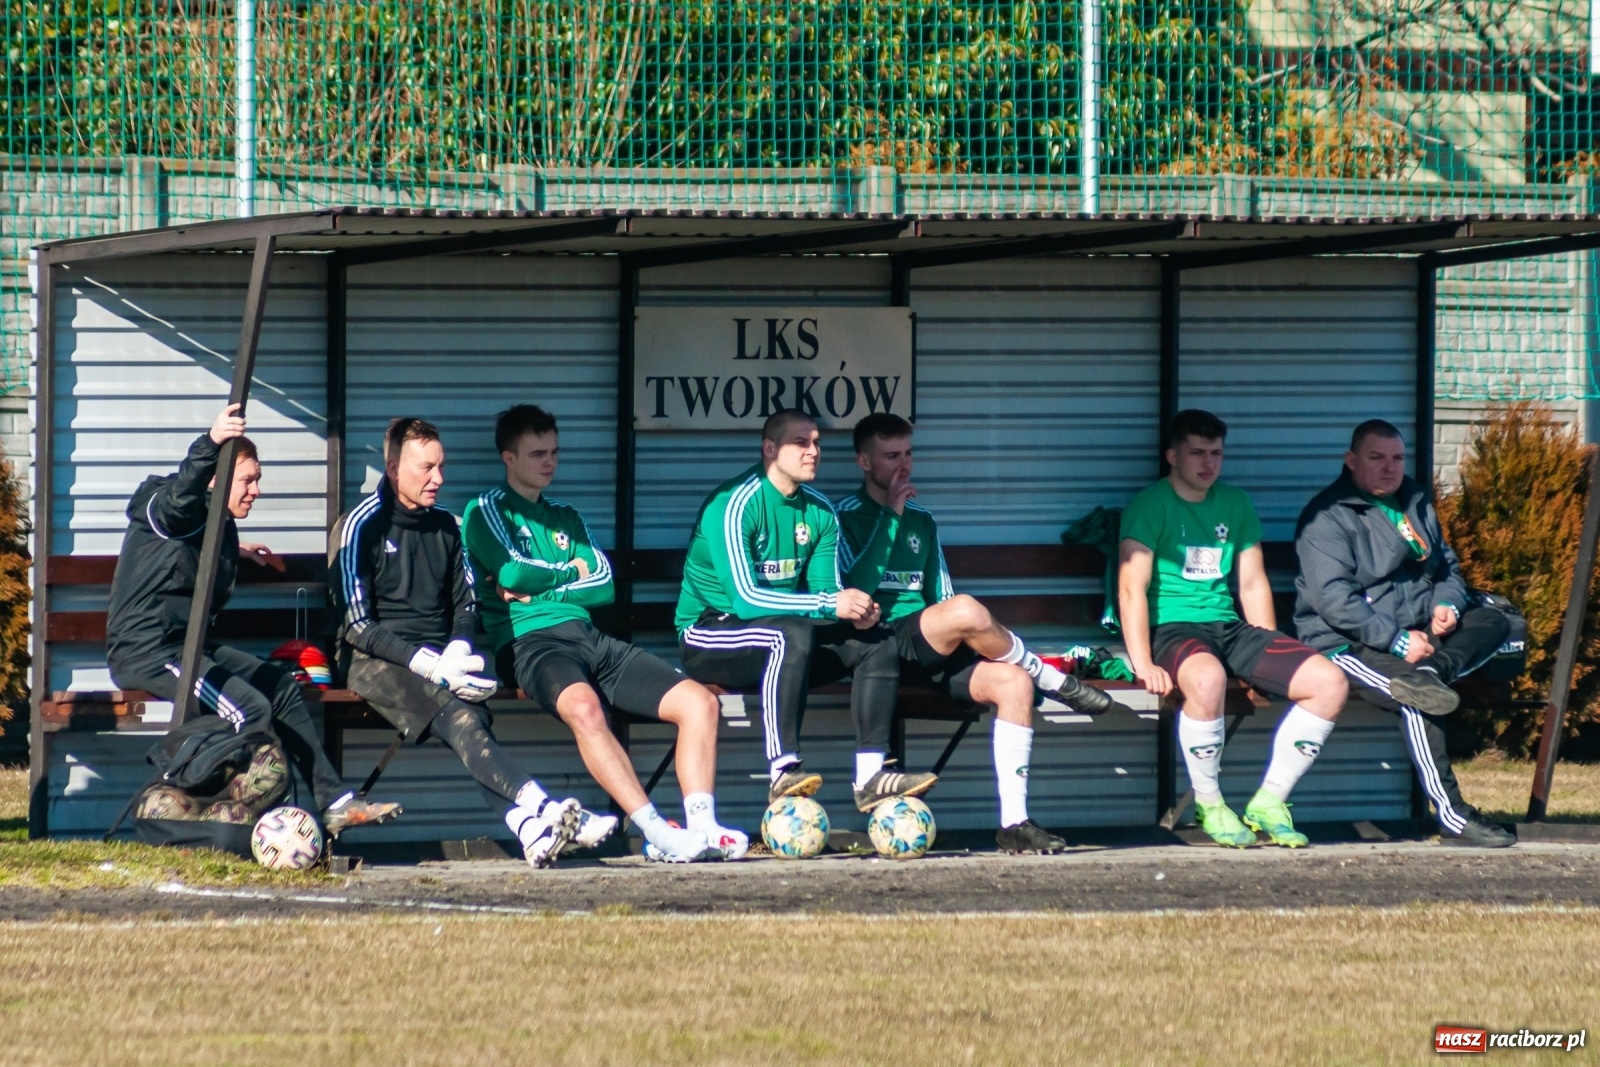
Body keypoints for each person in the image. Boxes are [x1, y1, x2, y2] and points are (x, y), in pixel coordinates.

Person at [463, 404, 747, 862]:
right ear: (508, 458)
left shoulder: (567, 516)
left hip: (589, 638)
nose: (549, 462)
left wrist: (541, 584)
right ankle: (657, 831)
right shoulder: (485, 510)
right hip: (529, 643)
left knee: (701, 703)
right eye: (537, 453)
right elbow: (513, 571)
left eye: (554, 451)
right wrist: (565, 574)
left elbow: (604, 586)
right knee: (586, 708)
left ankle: (703, 827)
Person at [837, 413, 1131, 853]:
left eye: (909, 454)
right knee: (969, 612)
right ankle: (1049, 678)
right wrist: (892, 516)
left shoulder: (923, 519)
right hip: (877, 646)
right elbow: (852, 587)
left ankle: (1014, 824)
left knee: (1011, 682)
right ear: (864, 461)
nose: (904, 466)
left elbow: (942, 595)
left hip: (927, 645)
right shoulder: (843, 515)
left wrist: (906, 518)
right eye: (891, 456)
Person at [107, 404, 400, 836]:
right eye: (247, 479)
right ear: (216, 479)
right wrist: (209, 444)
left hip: (187, 647)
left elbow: (183, 553)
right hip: (149, 651)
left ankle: (335, 802)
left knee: (280, 689)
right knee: (249, 709)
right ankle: (248, 825)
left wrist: (235, 553)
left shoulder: (216, 525)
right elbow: (178, 506)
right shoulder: (168, 505)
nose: (256, 490)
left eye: (257, 479)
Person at [330, 417, 597, 868]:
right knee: (463, 719)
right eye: (426, 468)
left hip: (441, 660)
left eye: (442, 466)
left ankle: (530, 833)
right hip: (373, 658)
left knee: (470, 722)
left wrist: (457, 649)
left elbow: (466, 603)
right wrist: (429, 666)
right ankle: (546, 809)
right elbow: (357, 625)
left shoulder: (448, 527)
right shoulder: (360, 526)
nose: (439, 478)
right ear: (393, 468)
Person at [676, 410, 936, 812]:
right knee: (790, 632)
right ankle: (783, 771)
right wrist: (830, 603)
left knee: (874, 639)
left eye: (817, 443)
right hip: (711, 632)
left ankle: (871, 775)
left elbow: (824, 592)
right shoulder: (733, 503)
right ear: (769, 449)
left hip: (780, 632)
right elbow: (745, 599)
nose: (813, 452)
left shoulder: (819, 511)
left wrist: (852, 611)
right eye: (801, 443)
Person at [1118, 409, 1349, 848]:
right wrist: (1142, 661)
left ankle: (1269, 801)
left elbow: (1252, 581)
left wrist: (1266, 644)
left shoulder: (1236, 502)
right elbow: (1132, 588)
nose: (1209, 463)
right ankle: (1211, 804)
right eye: (1197, 453)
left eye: (1217, 454)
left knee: (1330, 682)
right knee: (1208, 679)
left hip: (1229, 627)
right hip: (1174, 629)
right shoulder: (1149, 506)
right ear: (1172, 456)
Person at [1294, 419, 1515, 847]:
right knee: (1413, 698)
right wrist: (1396, 640)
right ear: (1351, 461)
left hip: (1421, 634)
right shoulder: (1327, 516)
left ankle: (1433, 672)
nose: (1389, 468)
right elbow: (1334, 601)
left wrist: (1446, 605)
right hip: (1346, 642)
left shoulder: (1414, 500)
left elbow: (1447, 566)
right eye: (1376, 458)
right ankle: (1453, 817)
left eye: (1397, 458)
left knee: (1495, 619)